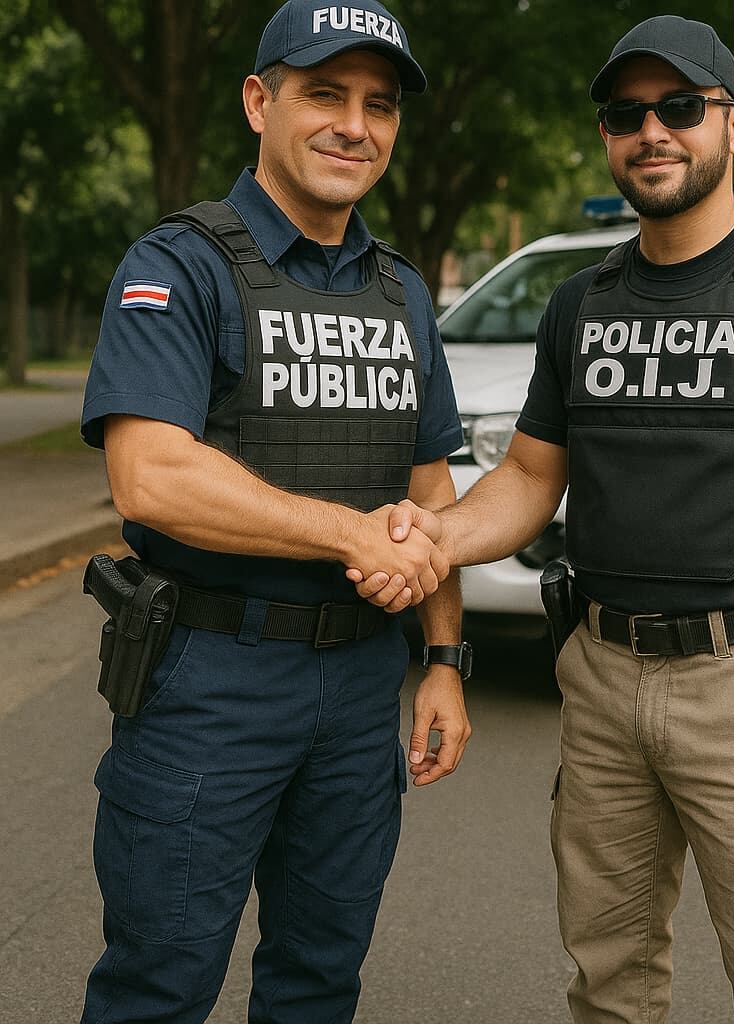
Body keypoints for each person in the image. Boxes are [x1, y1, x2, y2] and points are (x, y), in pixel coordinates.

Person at [354, 15, 734, 1024]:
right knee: (607, 978)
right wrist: (436, 536)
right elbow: (531, 475)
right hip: (602, 681)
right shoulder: (580, 302)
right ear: (608, 137)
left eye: (679, 108)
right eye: (626, 113)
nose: (651, 131)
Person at [78, 2, 471, 1021]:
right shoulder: (180, 264)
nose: (355, 125)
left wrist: (443, 659)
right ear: (260, 101)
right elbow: (152, 475)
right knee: (159, 984)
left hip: (358, 688)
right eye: (324, 94)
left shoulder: (402, 293)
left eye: (378, 105)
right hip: (211, 679)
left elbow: (431, 492)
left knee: (317, 980)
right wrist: (347, 532)